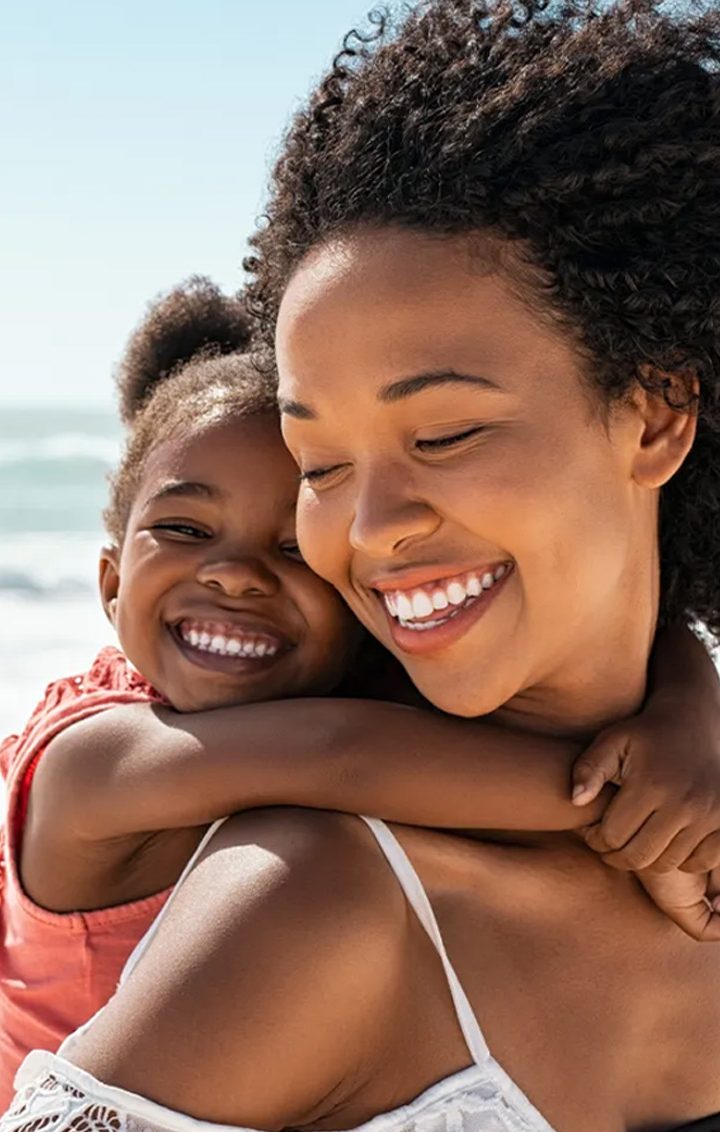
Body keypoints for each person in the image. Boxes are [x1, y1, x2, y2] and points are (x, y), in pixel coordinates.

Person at [4, 0, 720, 1127]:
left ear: (659, 413)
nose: (372, 528)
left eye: (444, 434)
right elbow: (337, 752)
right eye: (322, 464)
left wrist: (686, 710)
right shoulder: (303, 895)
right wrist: (624, 804)